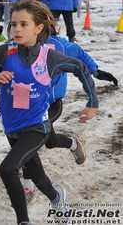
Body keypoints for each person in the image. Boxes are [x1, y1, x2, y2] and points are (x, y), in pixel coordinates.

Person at [0, 0, 99, 224]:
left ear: (38, 28)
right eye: (13, 24)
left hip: (37, 126)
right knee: (39, 177)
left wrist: (93, 103)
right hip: (12, 127)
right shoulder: (4, 53)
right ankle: (56, 197)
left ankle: (23, 221)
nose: (16, 29)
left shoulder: (49, 57)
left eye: (24, 24)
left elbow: (80, 68)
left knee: (8, 169)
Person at [21, 22, 119, 207]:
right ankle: (73, 143)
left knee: (29, 138)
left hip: (52, 104)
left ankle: (28, 187)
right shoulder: (23, 43)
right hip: (29, 104)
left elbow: (80, 55)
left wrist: (96, 71)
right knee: (49, 142)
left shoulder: (59, 45)